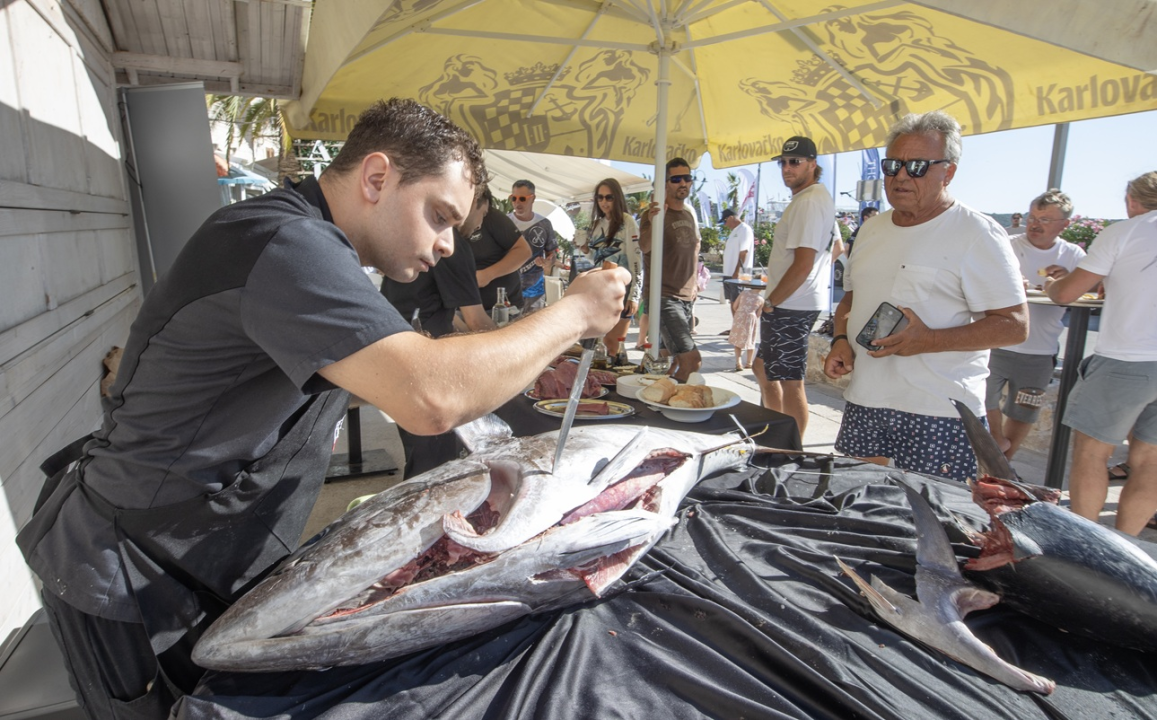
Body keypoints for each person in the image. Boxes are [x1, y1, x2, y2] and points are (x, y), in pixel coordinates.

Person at [16, 98, 631, 720]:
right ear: (376, 178)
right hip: (133, 575)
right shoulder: (285, 242)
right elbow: (429, 397)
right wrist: (576, 313)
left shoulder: (305, 239)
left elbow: (382, 368)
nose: (448, 246)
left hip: (198, 555)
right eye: (440, 217)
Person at [823, 111, 1028, 482]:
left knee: (932, 526)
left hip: (939, 411)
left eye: (917, 166)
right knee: (857, 514)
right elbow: (851, 300)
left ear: (947, 172)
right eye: (893, 165)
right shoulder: (870, 230)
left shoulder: (977, 233)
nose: (901, 176)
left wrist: (929, 340)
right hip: (865, 400)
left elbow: (1014, 326)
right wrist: (841, 340)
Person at [1046, 171, 1157, 536]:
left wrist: (1050, 282)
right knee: (1150, 461)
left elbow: (1065, 294)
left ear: (1132, 201)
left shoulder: (1125, 232)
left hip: (1127, 359)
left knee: (1093, 454)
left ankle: (1090, 545)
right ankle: (1126, 546)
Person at [985, 189, 1084, 460]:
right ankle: (995, 446)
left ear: (1064, 225)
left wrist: (1067, 280)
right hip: (996, 342)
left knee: (1025, 410)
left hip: (1040, 351)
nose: (1035, 223)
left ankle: (1004, 466)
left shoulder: (1073, 255)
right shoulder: (1007, 244)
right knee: (982, 400)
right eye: (1032, 216)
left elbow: (1088, 291)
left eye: (1045, 219)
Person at [753, 136, 836, 441]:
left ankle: (790, 446)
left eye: (795, 162)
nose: (787, 168)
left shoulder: (811, 201)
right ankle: (773, 430)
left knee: (789, 380)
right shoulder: (811, 199)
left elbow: (803, 264)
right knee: (762, 368)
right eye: (783, 162)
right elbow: (836, 247)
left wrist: (772, 301)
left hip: (791, 305)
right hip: (793, 302)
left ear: (812, 165)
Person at [639, 158, 702, 381]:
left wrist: (694, 283)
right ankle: (679, 407)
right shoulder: (652, 213)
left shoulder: (689, 214)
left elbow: (695, 247)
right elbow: (644, 246)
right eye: (676, 179)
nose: (683, 183)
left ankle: (655, 397)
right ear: (665, 183)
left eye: (687, 178)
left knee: (667, 359)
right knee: (691, 360)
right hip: (663, 297)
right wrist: (659, 218)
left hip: (686, 298)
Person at [581, 178, 642, 362]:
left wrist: (634, 295)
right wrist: (585, 250)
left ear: (617, 198)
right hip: (600, 291)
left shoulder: (627, 221)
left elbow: (636, 259)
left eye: (609, 197)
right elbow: (597, 258)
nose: (604, 202)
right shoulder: (597, 224)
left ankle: (619, 383)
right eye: (600, 198)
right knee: (600, 344)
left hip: (621, 291)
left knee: (613, 344)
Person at [469, 187, 532, 312]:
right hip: (464, 307)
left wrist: (487, 275)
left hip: (502, 307)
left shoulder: (491, 216)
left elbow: (524, 251)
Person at [508, 179, 558, 314]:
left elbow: (552, 254)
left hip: (535, 294)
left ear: (533, 199)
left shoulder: (544, 224)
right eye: (514, 198)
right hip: (509, 291)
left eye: (522, 198)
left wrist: (548, 262)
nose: (517, 203)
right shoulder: (505, 222)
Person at [721, 208, 754, 305]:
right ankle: (735, 321)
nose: (725, 224)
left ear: (731, 217)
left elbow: (744, 252)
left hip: (738, 274)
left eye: (725, 221)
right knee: (733, 302)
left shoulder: (744, 229)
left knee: (738, 303)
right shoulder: (734, 231)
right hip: (728, 273)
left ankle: (740, 321)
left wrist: (737, 272)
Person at [729, 288, 764, 372]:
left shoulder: (743, 293)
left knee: (738, 339)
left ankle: (738, 362)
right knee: (751, 340)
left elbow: (734, 306)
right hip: (751, 318)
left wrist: (741, 312)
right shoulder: (761, 299)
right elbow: (759, 313)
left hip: (739, 316)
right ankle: (749, 363)